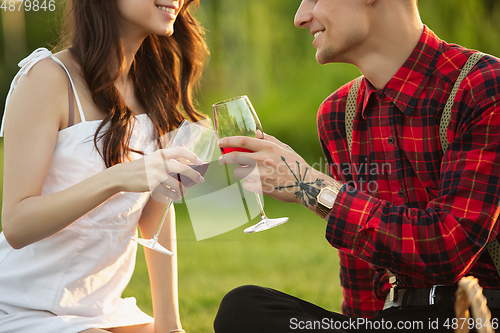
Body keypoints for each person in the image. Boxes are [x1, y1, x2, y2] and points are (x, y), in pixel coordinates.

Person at [213, 0, 500, 332]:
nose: (300, 17)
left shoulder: (482, 87)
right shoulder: (339, 113)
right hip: (393, 322)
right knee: (244, 308)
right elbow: (360, 271)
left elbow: (448, 246)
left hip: (475, 317)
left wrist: (311, 187)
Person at [0, 0, 208, 332]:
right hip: (23, 305)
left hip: (102, 308)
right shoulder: (46, 79)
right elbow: (16, 224)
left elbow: (155, 215)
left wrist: (169, 325)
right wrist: (115, 179)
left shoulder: (152, 85)